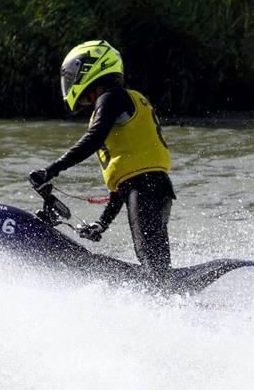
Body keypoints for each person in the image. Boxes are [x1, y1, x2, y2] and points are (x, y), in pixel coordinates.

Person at [29, 40, 176, 280]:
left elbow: (93, 139)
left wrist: (51, 170)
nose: (71, 80)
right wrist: (102, 224)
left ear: (92, 68)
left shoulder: (110, 98)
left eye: (74, 74)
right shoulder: (118, 100)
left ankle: (166, 295)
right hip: (153, 187)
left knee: (153, 266)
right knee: (154, 262)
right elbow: (124, 186)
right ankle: (169, 293)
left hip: (147, 188)